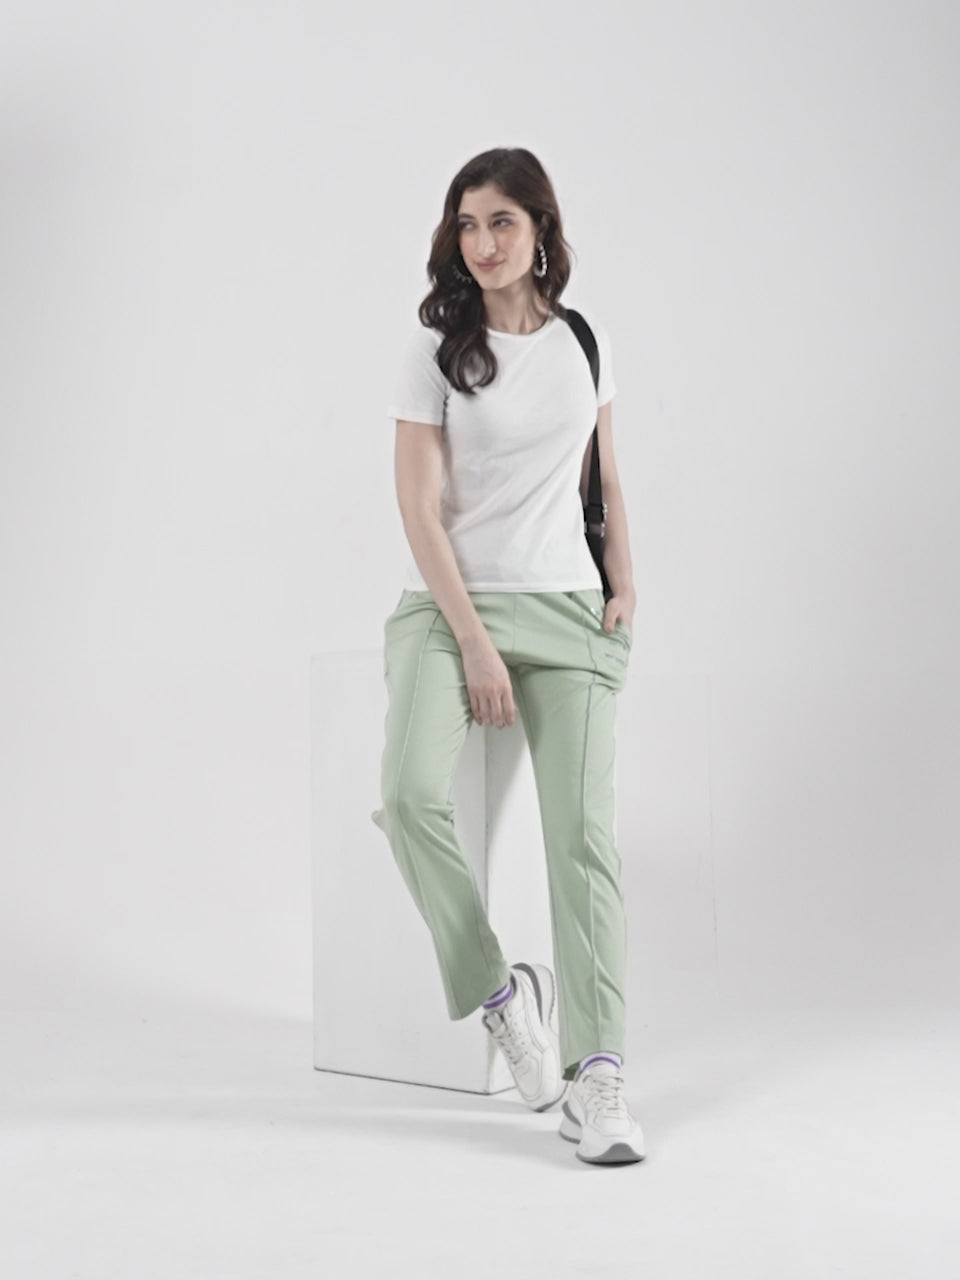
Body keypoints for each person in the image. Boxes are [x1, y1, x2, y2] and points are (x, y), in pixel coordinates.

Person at [370, 147, 644, 1166]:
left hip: (570, 609)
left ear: (540, 232)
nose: (482, 243)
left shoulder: (583, 341)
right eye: (467, 223)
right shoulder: (435, 347)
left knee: (583, 840)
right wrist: (476, 644)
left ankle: (599, 1076)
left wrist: (624, 582)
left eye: (502, 223)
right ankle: (499, 994)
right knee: (407, 796)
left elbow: (603, 477)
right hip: (452, 609)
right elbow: (417, 506)